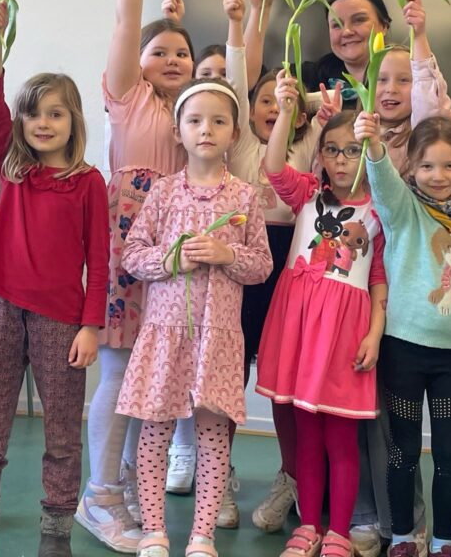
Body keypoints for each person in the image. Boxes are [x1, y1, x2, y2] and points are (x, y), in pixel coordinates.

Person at [0, 17, 108, 557]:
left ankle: (56, 531)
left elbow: (100, 261)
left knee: (62, 432)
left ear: (73, 121)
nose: (43, 123)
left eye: (55, 113)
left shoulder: (88, 183)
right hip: (2, 308)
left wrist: (91, 326)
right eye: (33, 113)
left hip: (61, 320)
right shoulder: (14, 168)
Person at [81, 0, 196, 552]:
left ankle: (124, 485)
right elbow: (128, 21)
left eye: (182, 51)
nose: (172, 59)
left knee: (155, 376)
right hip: (127, 250)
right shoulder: (130, 101)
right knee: (121, 371)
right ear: (138, 63)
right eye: (160, 52)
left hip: (175, 257)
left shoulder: (194, 116)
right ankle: (99, 495)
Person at [117, 77, 273, 557]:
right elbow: (132, 255)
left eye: (218, 121)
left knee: (213, 436)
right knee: (155, 430)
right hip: (164, 336)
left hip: (218, 338)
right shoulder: (163, 193)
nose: (206, 129)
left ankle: (202, 535)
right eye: (195, 120)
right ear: (178, 130)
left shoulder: (245, 197)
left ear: (234, 133)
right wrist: (170, 260)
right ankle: (153, 531)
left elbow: (262, 265)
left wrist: (228, 254)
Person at [255, 68, 386, 557]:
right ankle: (308, 525)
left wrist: (374, 334)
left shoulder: (380, 210)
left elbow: (378, 281)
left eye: (352, 150)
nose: (341, 159)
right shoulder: (309, 193)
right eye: (333, 149)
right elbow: (273, 167)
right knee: (306, 434)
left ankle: (340, 532)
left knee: (341, 438)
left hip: (344, 332)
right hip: (298, 325)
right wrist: (287, 111)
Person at [223, 0, 337, 533]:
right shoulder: (243, 143)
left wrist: (306, 105)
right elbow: (236, 77)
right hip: (240, 266)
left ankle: (290, 477)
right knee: (228, 373)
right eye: (264, 100)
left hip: (290, 269)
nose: (273, 107)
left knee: (284, 382)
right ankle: (217, 471)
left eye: (283, 100)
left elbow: (329, 110)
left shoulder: (308, 145)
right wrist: (245, 19)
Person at [355, 110, 451, 557]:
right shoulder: (402, 208)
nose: (438, 175)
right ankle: (403, 538)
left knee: (448, 455)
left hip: (450, 356)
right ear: (411, 165)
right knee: (403, 453)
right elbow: (382, 179)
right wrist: (373, 144)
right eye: (426, 165)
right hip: (403, 351)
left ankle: (444, 540)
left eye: (449, 165)